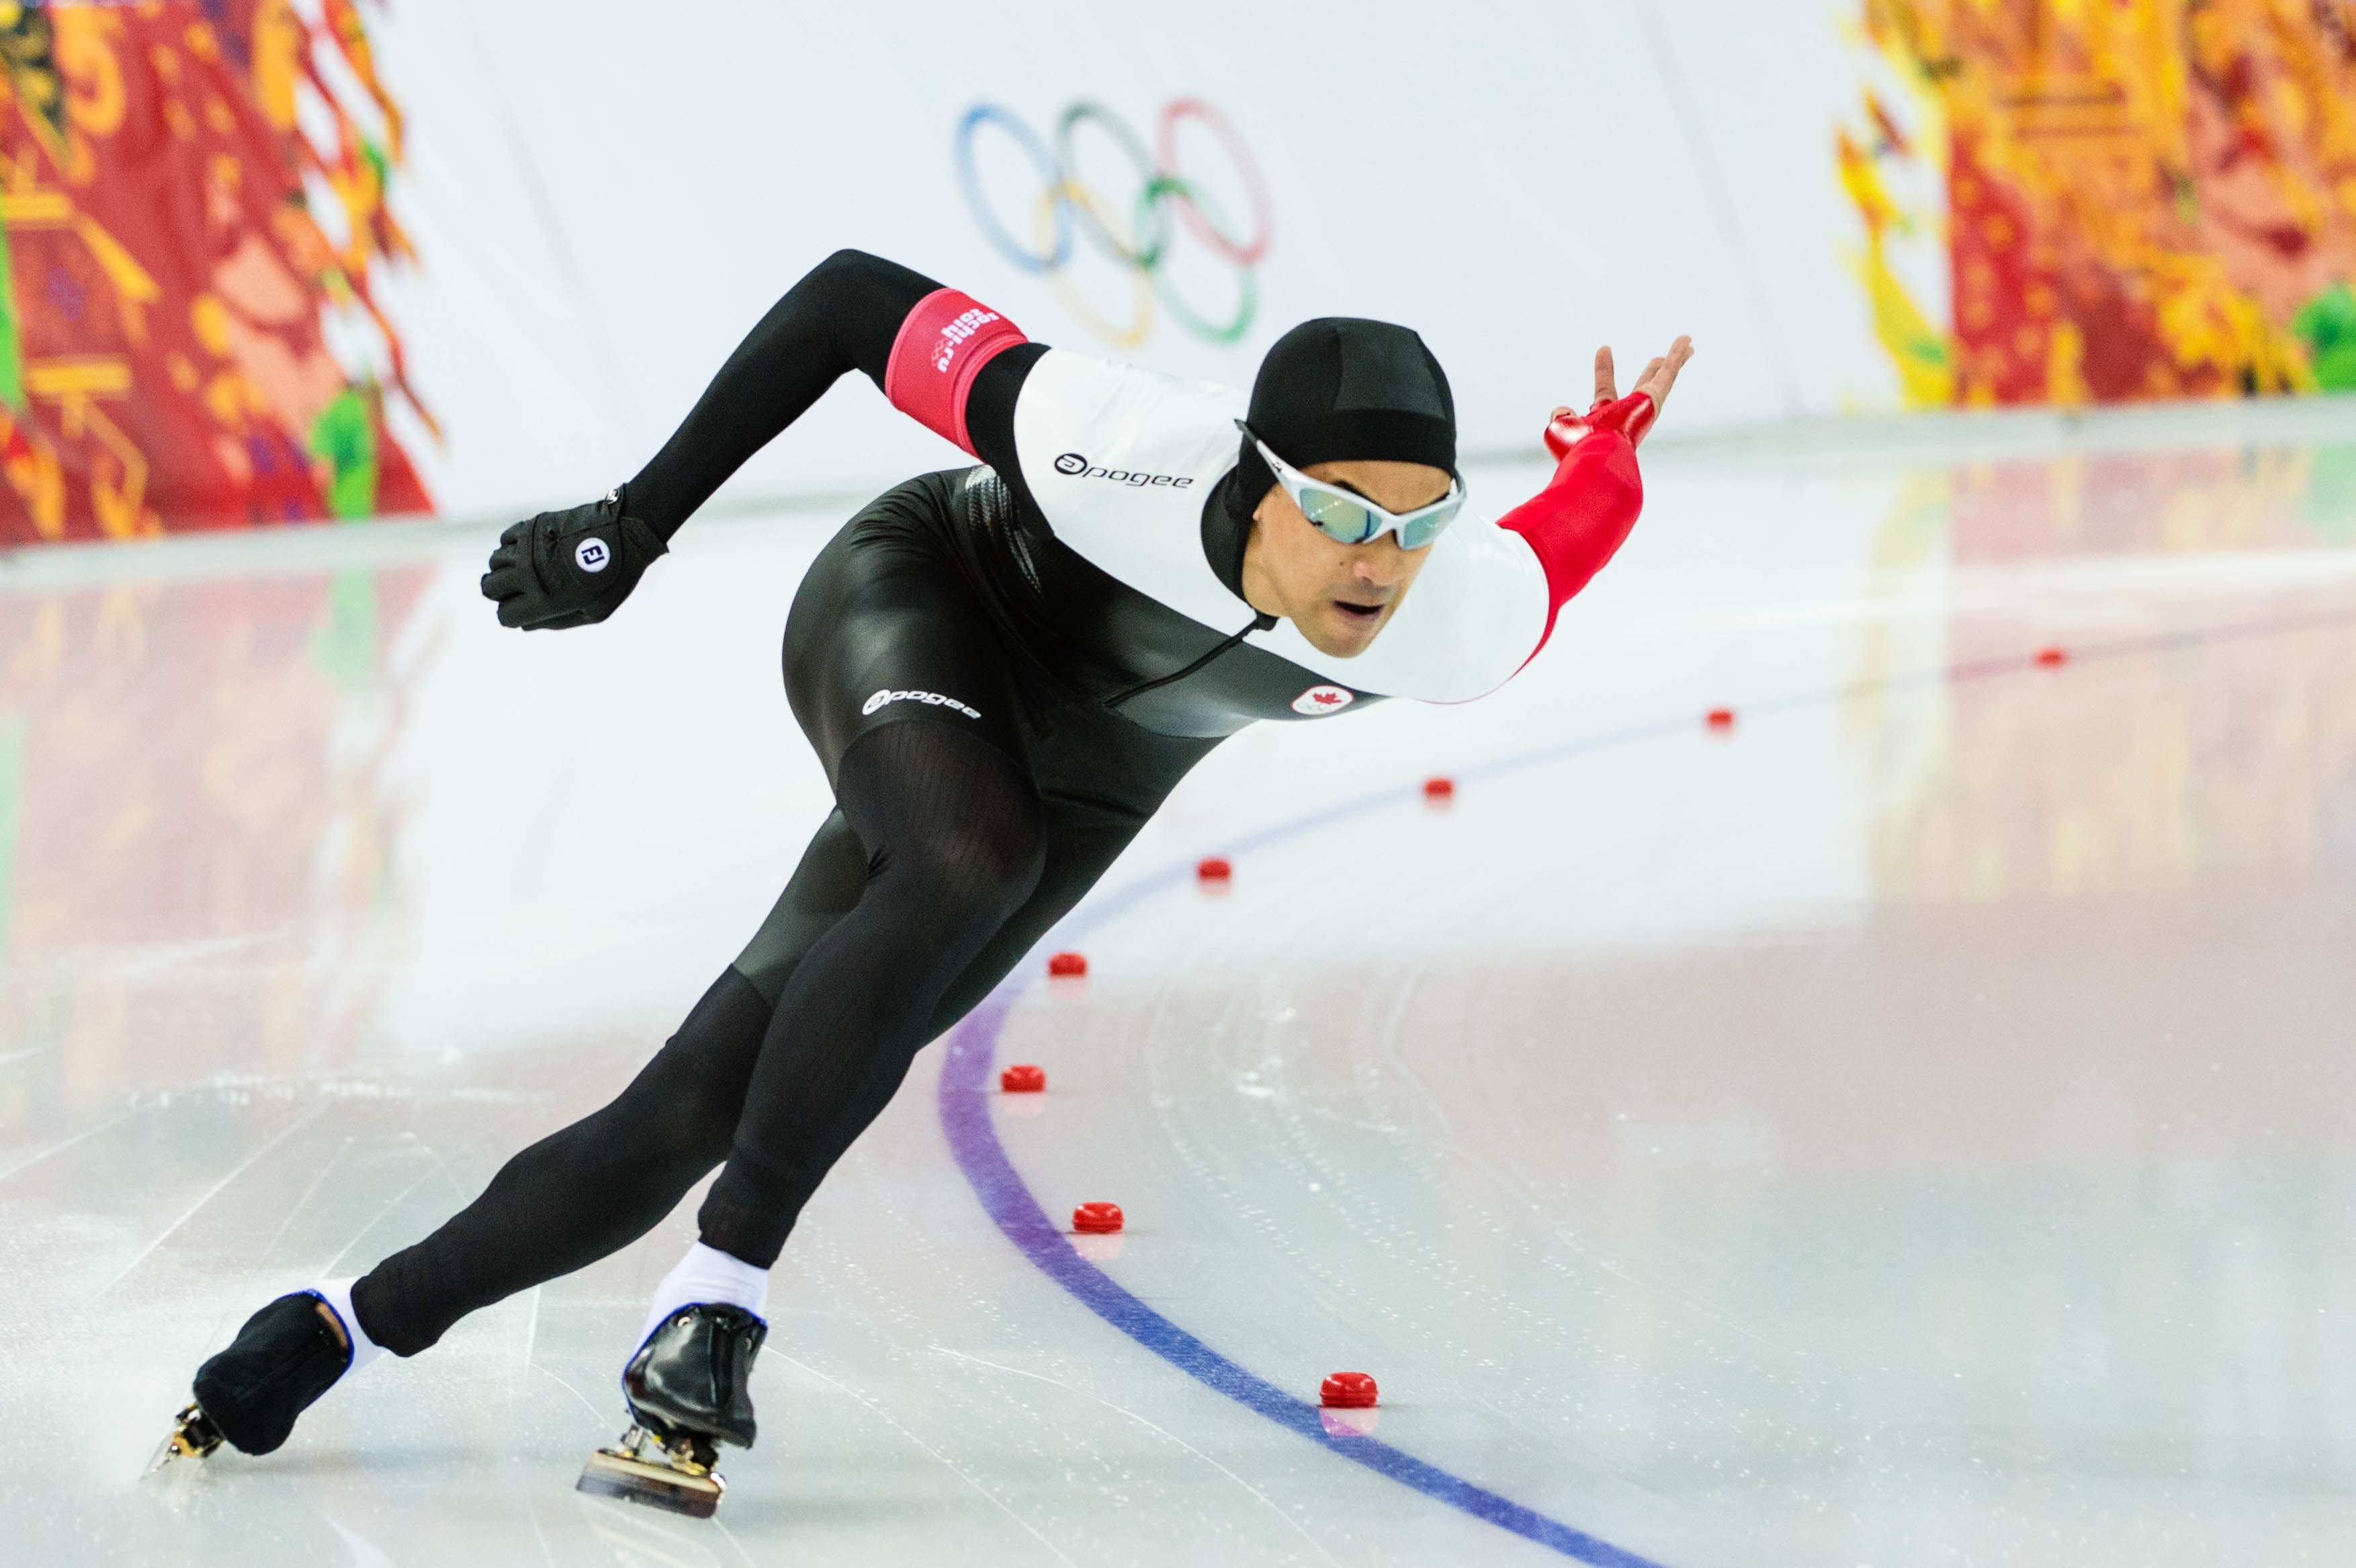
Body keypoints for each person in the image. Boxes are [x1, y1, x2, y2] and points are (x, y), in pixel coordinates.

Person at [156, 249, 1693, 1514]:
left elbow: (1577, 528)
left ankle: (343, 1326)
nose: (1379, 563)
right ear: (1255, 475)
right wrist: (634, 523)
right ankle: (718, 1303)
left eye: (1417, 524)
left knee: (704, 1100)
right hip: (919, 606)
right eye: (1343, 514)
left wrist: (1601, 450)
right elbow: (842, 303)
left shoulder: (1457, 614)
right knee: (966, 857)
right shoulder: (1109, 443)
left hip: (1100, 766)